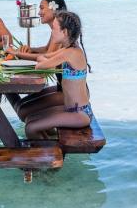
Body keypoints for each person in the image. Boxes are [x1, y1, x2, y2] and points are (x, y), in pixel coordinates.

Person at [24, 11, 92, 139]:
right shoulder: (68, 49)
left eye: (54, 29)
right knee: (30, 118)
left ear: (65, 32)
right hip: (74, 109)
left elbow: (40, 65)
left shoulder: (71, 53)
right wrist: (44, 58)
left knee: (31, 128)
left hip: (79, 113)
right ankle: (49, 150)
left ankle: (47, 157)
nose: (51, 32)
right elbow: (43, 58)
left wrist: (43, 59)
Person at [6, 0, 67, 121]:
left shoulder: (61, 31)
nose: (39, 13)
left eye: (41, 8)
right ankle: (44, 133)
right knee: (22, 108)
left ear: (53, 8)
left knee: (23, 111)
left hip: (68, 94)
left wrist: (17, 53)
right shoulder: (58, 27)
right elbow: (46, 49)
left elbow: (47, 58)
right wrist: (30, 49)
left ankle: (45, 136)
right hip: (61, 88)